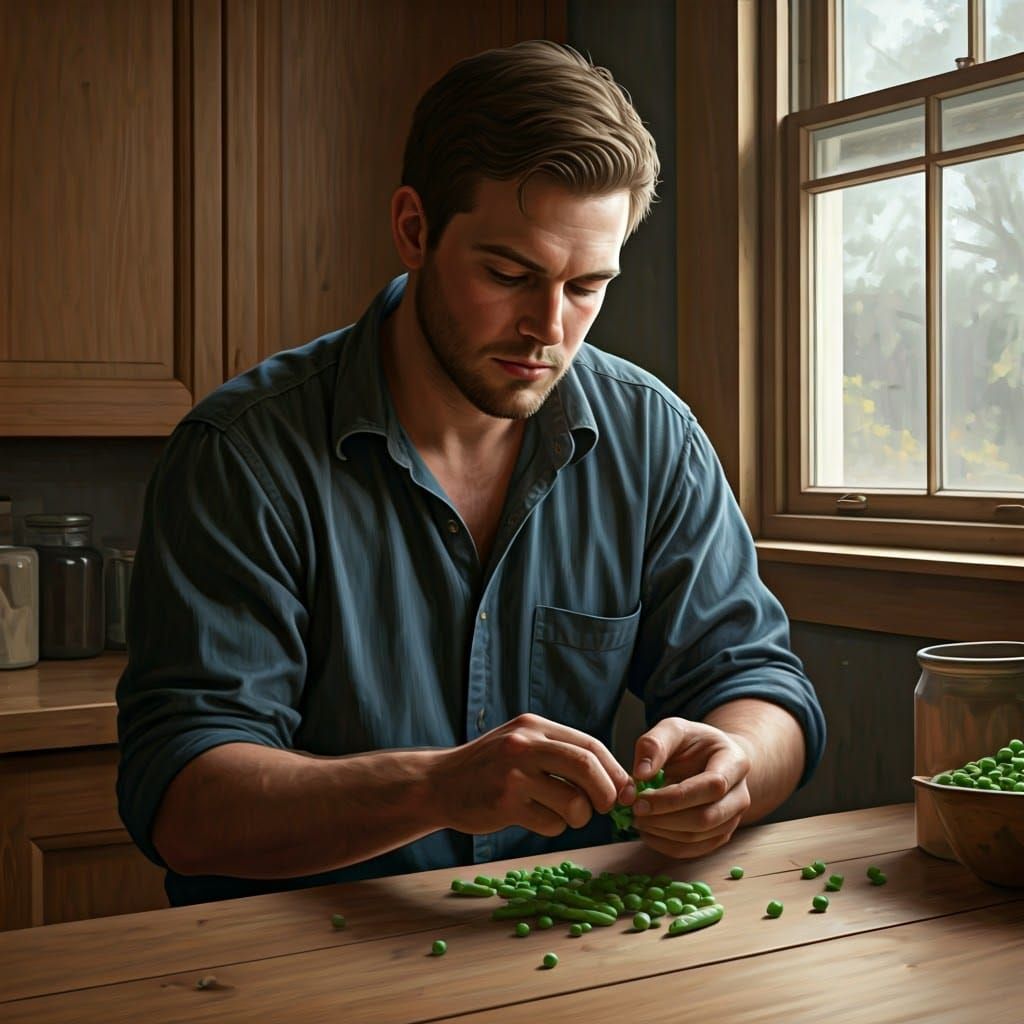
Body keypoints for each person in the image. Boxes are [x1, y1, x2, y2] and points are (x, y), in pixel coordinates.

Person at [117, 39, 826, 908]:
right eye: (509, 273)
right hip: (288, 963)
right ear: (414, 229)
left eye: (586, 287)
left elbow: (759, 686)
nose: (548, 329)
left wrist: (737, 765)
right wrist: (437, 788)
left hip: (559, 947)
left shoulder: (653, 436)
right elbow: (184, 802)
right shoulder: (241, 456)